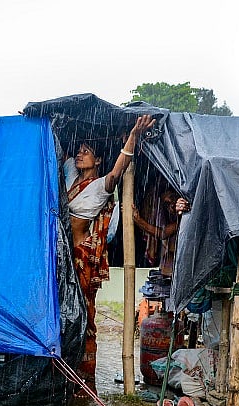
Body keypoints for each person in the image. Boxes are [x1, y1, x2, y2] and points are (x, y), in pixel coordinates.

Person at [67, 114, 156, 389]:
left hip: (81, 258)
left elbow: (119, 169)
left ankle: (85, 377)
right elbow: (66, 159)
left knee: (83, 317)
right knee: (63, 316)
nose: (80, 155)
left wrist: (132, 136)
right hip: (64, 259)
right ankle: (64, 372)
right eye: (79, 150)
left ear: (98, 161)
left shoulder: (99, 187)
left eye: (87, 152)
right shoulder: (71, 183)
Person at [132, 189, 181, 277]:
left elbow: (162, 234)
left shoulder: (183, 216)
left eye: (172, 198)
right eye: (167, 203)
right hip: (170, 269)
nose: (171, 204)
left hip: (179, 267)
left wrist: (138, 220)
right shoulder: (168, 217)